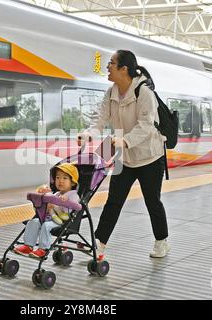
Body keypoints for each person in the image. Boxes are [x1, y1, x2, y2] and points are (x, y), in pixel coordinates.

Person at [78, 50, 170, 260]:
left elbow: (146, 125)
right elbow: (100, 119)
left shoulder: (144, 92)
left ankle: (161, 240)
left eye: (111, 63)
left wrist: (125, 140)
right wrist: (89, 134)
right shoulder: (111, 92)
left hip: (150, 157)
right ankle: (99, 244)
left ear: (124, 69)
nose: (107, 67)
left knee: (152, 202)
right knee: (114, 201)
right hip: (125, 158)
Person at [13, 163, 80, 258]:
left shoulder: (73, 195)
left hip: (62, 222)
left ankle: (43, 249)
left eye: (65, 178)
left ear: (73, 182)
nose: (60, 181)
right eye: (57, 178)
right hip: (49, 218)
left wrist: (65, 202)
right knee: (34, 221)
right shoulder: (56, 194)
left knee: (46, 225)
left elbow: (77, 207)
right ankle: (28, 246)